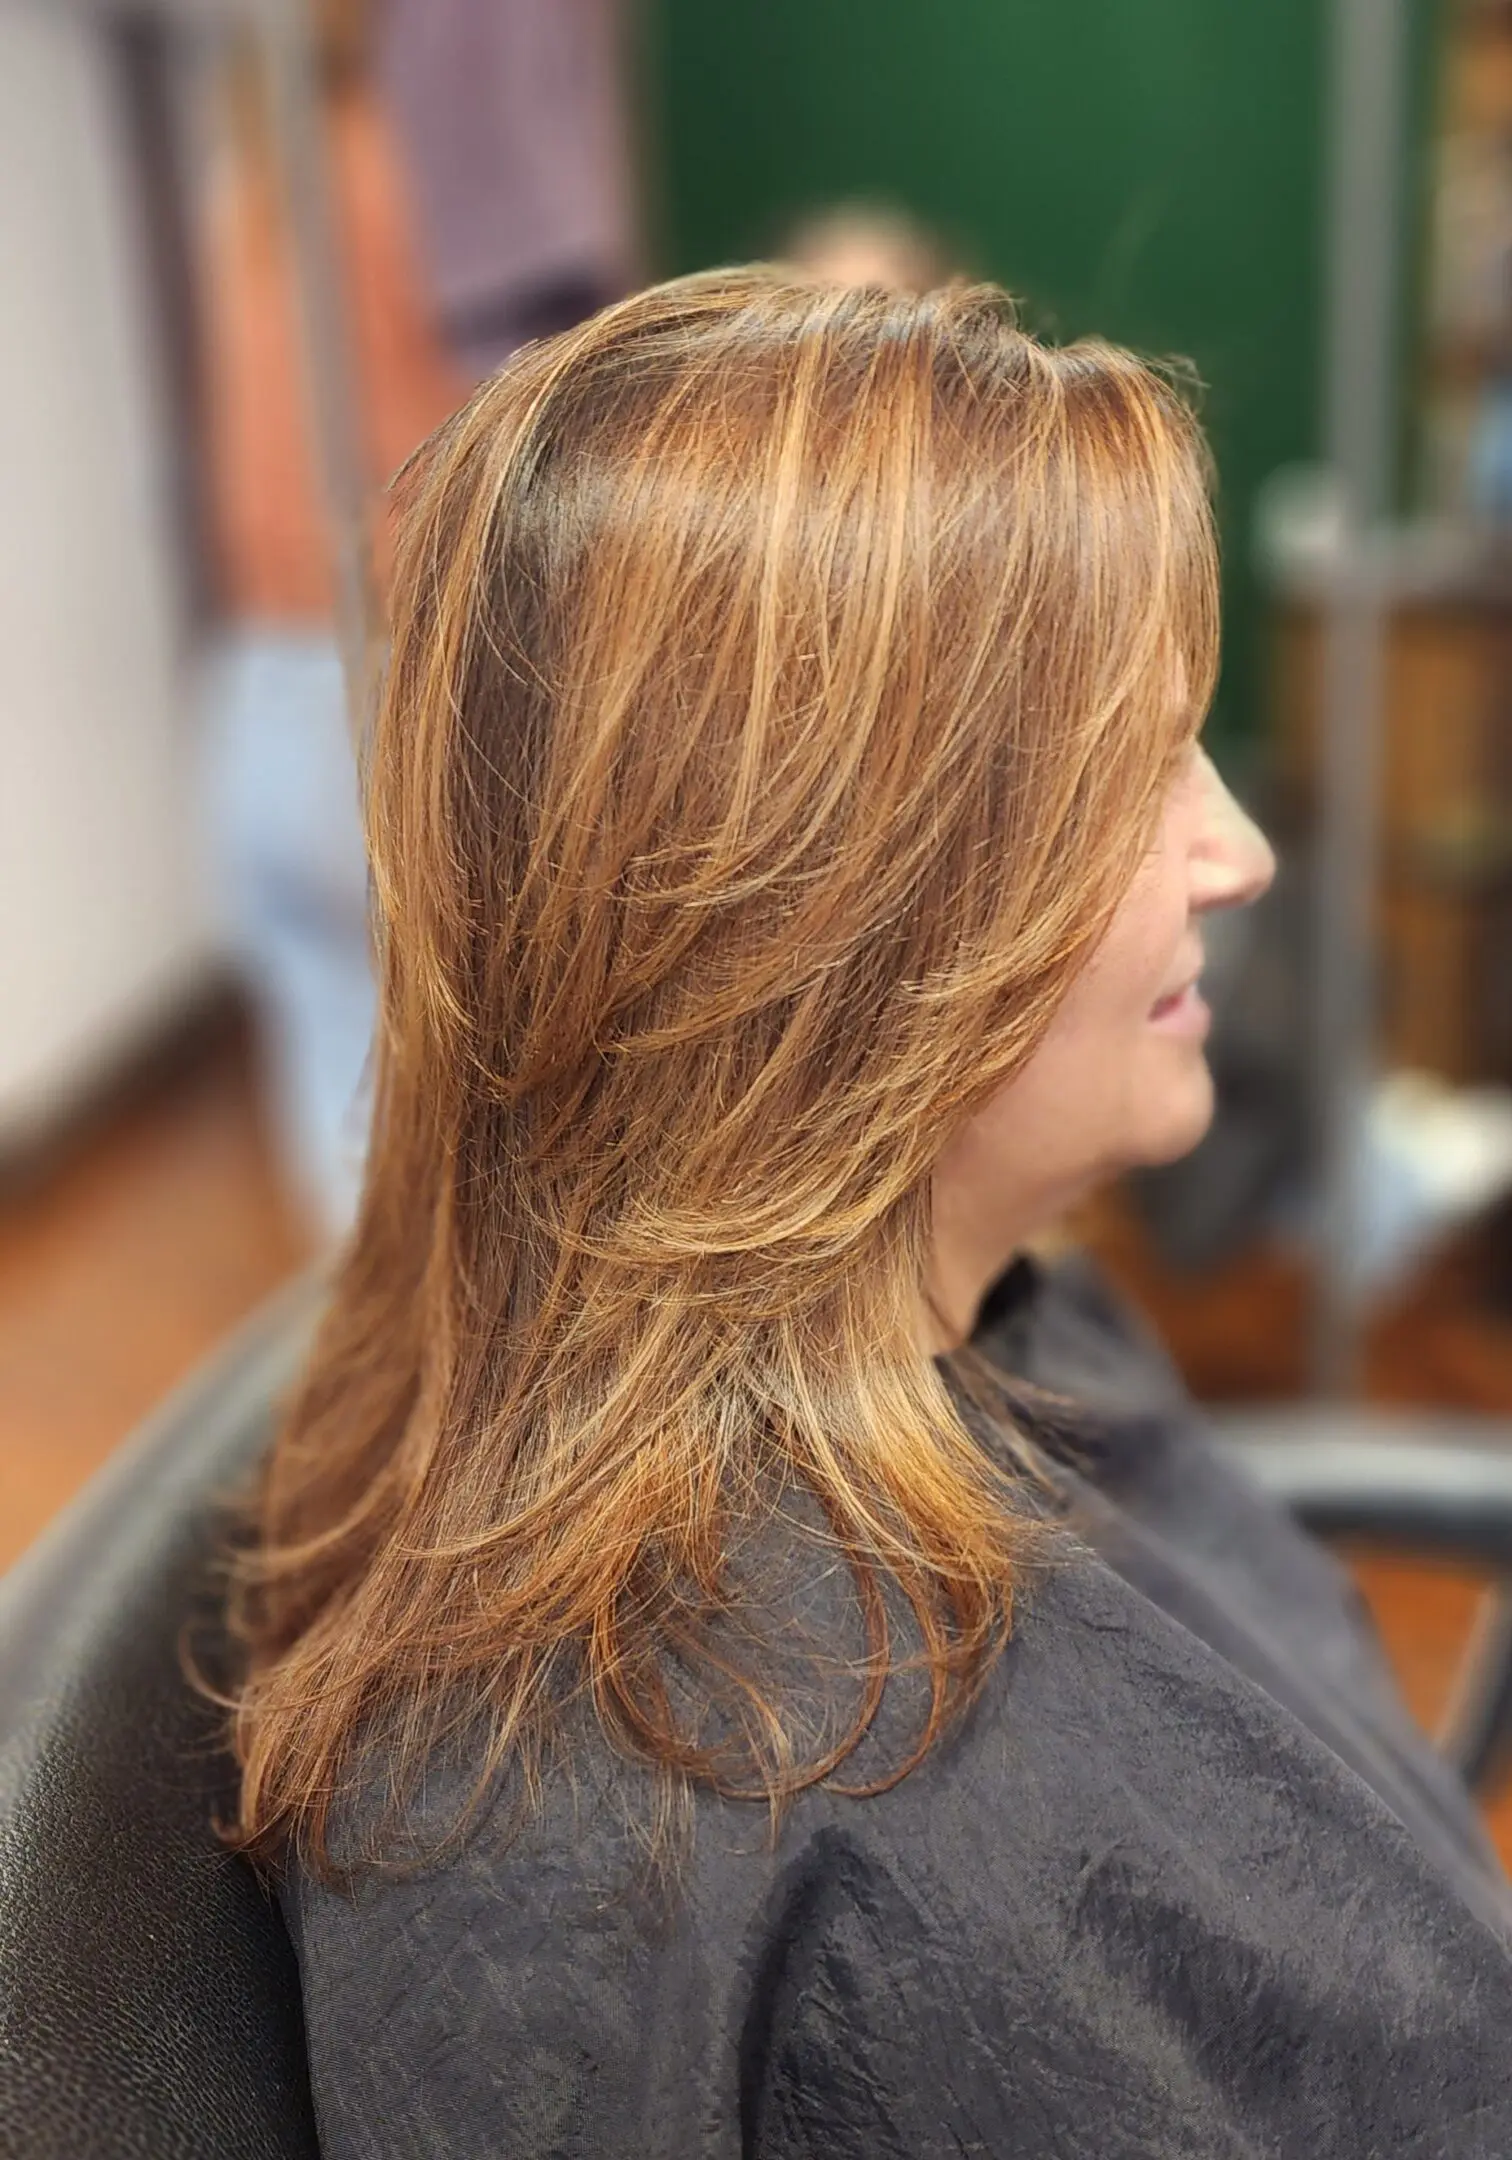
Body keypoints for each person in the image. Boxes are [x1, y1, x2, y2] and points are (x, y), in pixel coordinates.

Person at [227, 269, 1512, 2156]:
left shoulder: (975, 1316)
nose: (1236, 851)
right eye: (1138, 772)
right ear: (844, 916)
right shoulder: (685, 1843)